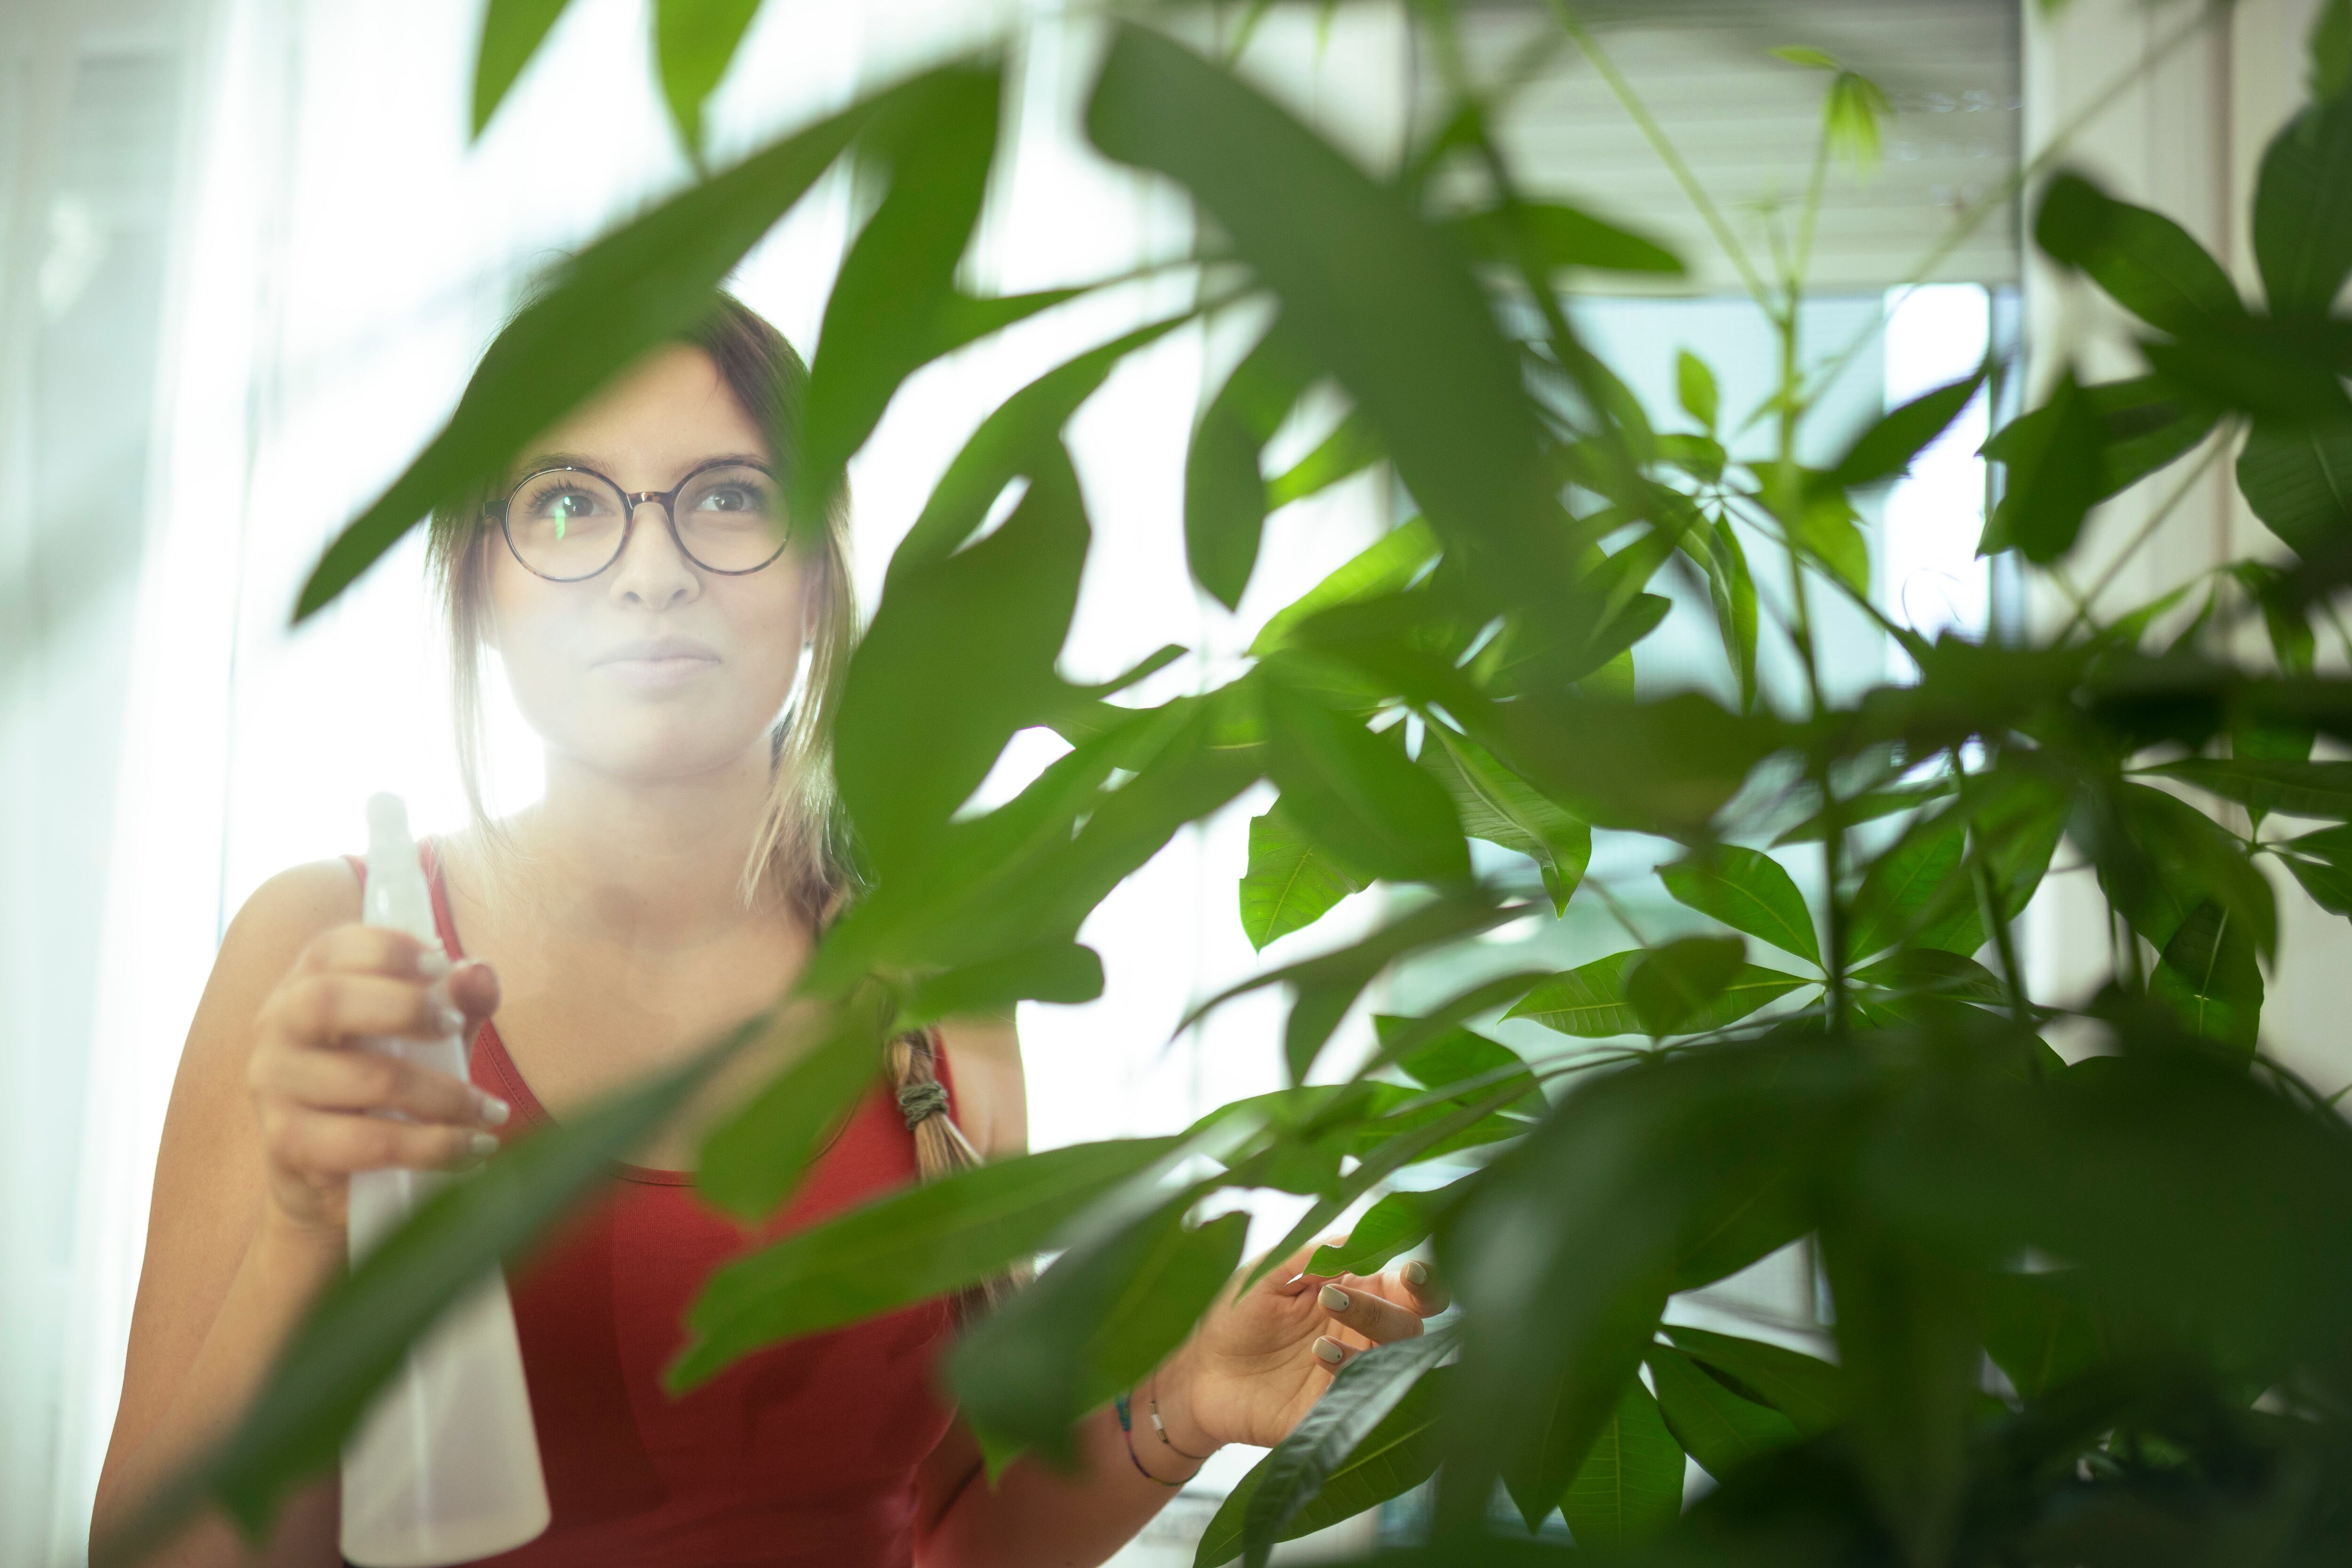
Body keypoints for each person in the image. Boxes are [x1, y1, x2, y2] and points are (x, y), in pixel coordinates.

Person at [90, 292, 1445, 1567]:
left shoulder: (936, 984)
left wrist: (1187, 1401)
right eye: (568, 505)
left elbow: (951, 1532)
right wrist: (303, 1216)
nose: (652, 573)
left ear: (813, 583)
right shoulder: (326, 954)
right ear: (478, 584)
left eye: (728, 501)